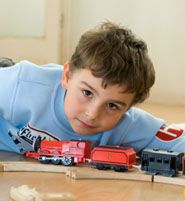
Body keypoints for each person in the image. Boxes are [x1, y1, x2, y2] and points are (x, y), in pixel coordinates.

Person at [0, 21, 184, 155]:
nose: (93, 114)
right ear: (67, 76)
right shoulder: (22, 84)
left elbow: (177, 139)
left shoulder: (127, 124)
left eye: (112, 106)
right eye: (87, 93)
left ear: (128, 108)